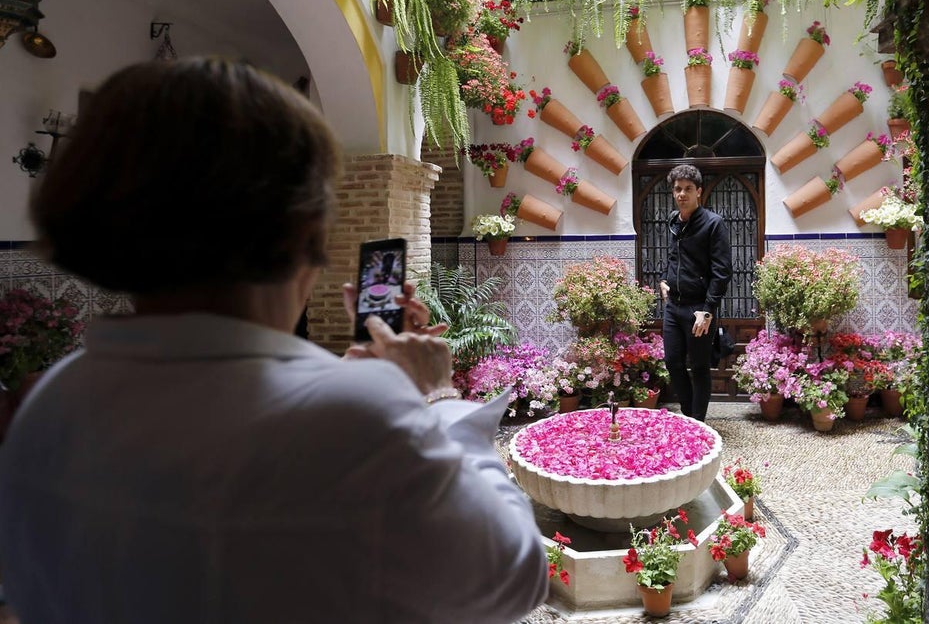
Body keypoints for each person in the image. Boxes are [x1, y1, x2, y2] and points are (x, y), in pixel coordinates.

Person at [0, 58, 548, 624]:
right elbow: (514, 578)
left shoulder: (50, 405)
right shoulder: (355, 420)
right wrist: (433, 396)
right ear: (307, 232)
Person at [658, 164, 732, 423]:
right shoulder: (673, 222)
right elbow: (674, 257)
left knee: (699, 367)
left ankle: (697, 422)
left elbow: (722, 271)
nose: (682, 194)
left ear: (698, 192)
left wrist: (708, 310)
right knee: (672, 363)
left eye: (688, 189)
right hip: (674, 307)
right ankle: (690, 417)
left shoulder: (713, 224)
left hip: (699, 308)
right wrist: (664, 280)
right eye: (677, 189)